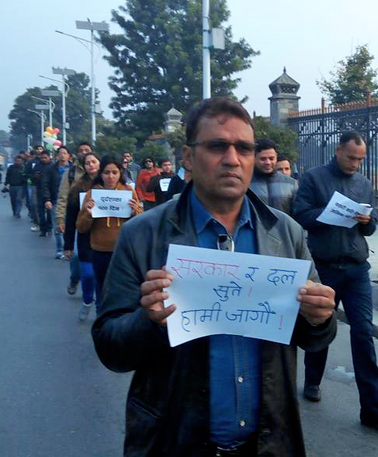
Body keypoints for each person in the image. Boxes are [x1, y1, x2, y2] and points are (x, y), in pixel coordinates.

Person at [92, 97, 337, 456]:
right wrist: (150, 323)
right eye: (217, 146)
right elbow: (111, 348)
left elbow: (313, 337)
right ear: (188, 157)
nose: (232, 159)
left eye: (244, 148)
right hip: (174, 442)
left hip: (268, 444)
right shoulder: (142, 235)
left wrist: (319, 318)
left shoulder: (286, 234)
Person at [293, 130, 378, 429]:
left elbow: (370, 227)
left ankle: (371, 406)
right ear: (338, 150)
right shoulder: (314, 178)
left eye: (361, 159)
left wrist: (367, 221)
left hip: (356, 268)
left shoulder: (364, 184)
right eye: (352, 157)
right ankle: (312, 380)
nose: (356, 163)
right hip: (324, 267)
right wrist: (329, 214)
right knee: (320, 325)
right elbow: (300, 215)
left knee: (364, 332)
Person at [77, 155, 142, 312]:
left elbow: (141, 223)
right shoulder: (92, 195)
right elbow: (81, 227)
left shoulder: (128, 191)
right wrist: (88, 213)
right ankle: (102, 321)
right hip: (100, 251)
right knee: (102, 289)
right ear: (101, 173)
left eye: (114, 172)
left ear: (120, 173)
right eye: (107, 172)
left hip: (124, 251)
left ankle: (121, 321)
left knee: (124, 289)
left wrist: (135, 211)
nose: (111, 176)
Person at [64, 152, 101, 319]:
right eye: (87, 163)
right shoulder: (78, 188)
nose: (91, 165)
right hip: (85, 238)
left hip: (107, 239)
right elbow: (71, 219)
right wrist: (68, 245)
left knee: (103, 278)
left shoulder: (111, 187)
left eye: (94, 162)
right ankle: (87, 301)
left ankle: (101, 310)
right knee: (88, 273)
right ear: (83, 167)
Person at [56, 142, 93, 292]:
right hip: (78, 220)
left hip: (99, 223)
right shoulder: (70, 173)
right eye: (81, 150)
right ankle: (75, 278)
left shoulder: (101, 173)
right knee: (77, 256)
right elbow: (63, 197)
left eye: (87, 150)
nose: (84, 152)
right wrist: (60, 219)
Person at [250, 138, 298, 215]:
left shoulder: (291, 184)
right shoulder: (245, 183)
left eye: (271, 158)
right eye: (263, 159)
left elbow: (298, 214)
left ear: (276, 157)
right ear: (254, 158)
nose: (268, 162)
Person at [42, 146, 72, 257]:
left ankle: (69, 248)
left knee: (70, 226)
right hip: (56, 200)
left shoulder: (74, 170)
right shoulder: (51, 169)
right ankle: (60, 249)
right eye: (60, 153)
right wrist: (47, 199)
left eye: (65, 153)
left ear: (69, 155)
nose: (62, 155)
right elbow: (45, 184)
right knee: (58, 225)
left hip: (71, 202)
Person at [34, 150, 53, 237]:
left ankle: (49, 227)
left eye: (45, 158)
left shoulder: (53, 167)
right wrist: (36, 177)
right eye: (42, 158)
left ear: (49, 157)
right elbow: (33, 177)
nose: (44, 159)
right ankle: (43, 229)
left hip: (50, 192)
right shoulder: (37, 166)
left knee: (50, 211)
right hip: (40, 191)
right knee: (41, 211)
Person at [25, 147, 43, 231]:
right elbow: (26, 173)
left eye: (41, 149)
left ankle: (48, 226)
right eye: (38, 150)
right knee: (34, 204)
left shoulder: (50, 164)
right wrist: (34, 177)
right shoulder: (31, 163)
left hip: (47, 187)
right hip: (34, 186)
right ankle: (37, 223)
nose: (39, 151)